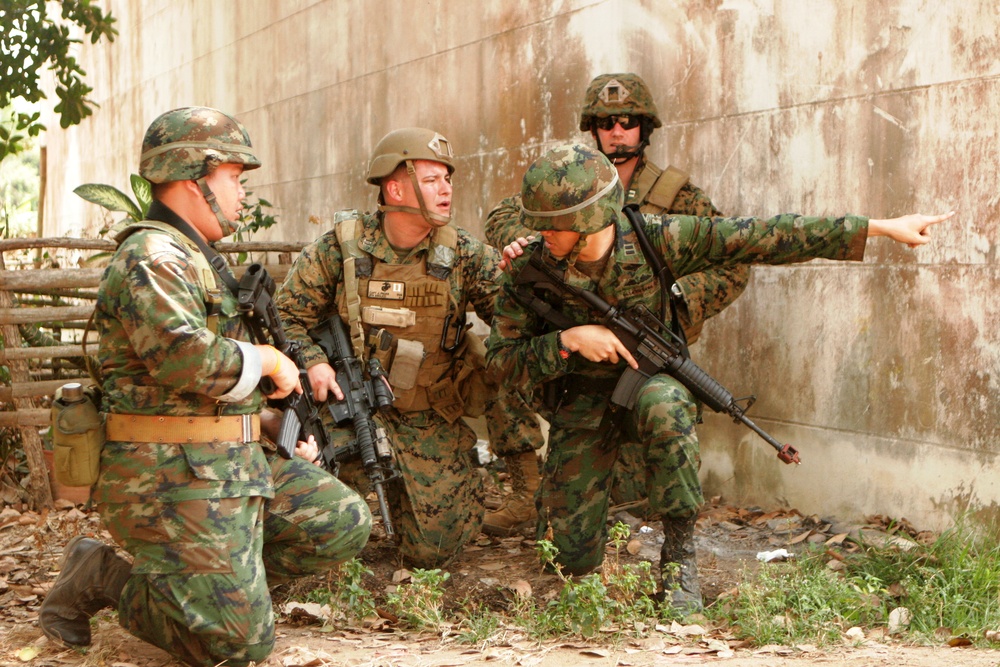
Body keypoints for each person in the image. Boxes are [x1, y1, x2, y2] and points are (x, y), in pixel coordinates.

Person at [485, 143, 953, 613]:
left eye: (553, 224)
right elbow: (501, 362)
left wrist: (877, 228)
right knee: (567, 560)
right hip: (580, 405)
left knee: (668, 404)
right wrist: (568, 341)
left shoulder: (656, 239)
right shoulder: (527, 267)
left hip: (648, 385)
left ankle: (679, 560)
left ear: (588, 220)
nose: (540, 233)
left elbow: (764, 236)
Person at [38, 107, 372, 666]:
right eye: (234, 177)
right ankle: (102, 574)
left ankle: (216, 590)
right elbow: (185, 360)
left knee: (341, 522)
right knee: (236, 648)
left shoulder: (194, 258)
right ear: (193, 178)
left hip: (221, 461)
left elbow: (207, 396)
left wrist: (269, 425)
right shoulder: (151, 256)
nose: (243, 193)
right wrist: (269, 360)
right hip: (165, 474)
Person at [482, 73, 749, 533]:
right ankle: (532, 493)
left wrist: (675, 303)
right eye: (606, 123)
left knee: (636, 491)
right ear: (593, 130)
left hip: (640, 349)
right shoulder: (571, 180)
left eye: (627, 121)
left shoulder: (676, 196)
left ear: (645, 128)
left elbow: (732, 263)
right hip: (574, 343)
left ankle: (662, 527)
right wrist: (534, 245)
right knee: (511, 365)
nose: (617, 132)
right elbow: (504, 214)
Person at [274, 127, 503, 569]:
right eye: (432, 180)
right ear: (396, 189)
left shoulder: (464, 253)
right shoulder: (341, 249)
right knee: (314, 518)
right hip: (349, 412)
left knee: (434, 552)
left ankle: (413, 494)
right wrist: (315, 363)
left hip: (427, 416)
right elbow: (286, 316)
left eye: (448, 179)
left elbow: (513, 318)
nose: (446, 189)